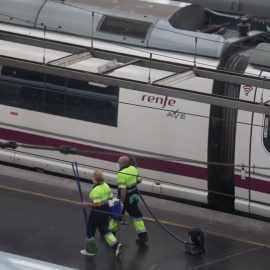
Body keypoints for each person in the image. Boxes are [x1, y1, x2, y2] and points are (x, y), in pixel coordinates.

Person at [80, 170, 123, 257]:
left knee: (90, 231)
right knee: (104, 230)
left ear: (94, 178)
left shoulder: (96, 190)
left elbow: (98, 204)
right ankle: (116, 245)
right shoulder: (106, 185)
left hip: (96, 213)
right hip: (105, 211)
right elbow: (111, 198)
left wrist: (86, 204)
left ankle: (90, 251)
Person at [109, 156, 149, 245]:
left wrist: (121, 203)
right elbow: (139, 181)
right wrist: (132, 184)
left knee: (117, 215)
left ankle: (110, 235)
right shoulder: (133, 169)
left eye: (119, 162)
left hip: (125, 198)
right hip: (134, 196)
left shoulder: (121, 174)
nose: (117, 164)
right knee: (136, 216)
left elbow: (123, 190)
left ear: (122, 164)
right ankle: (143, 236)